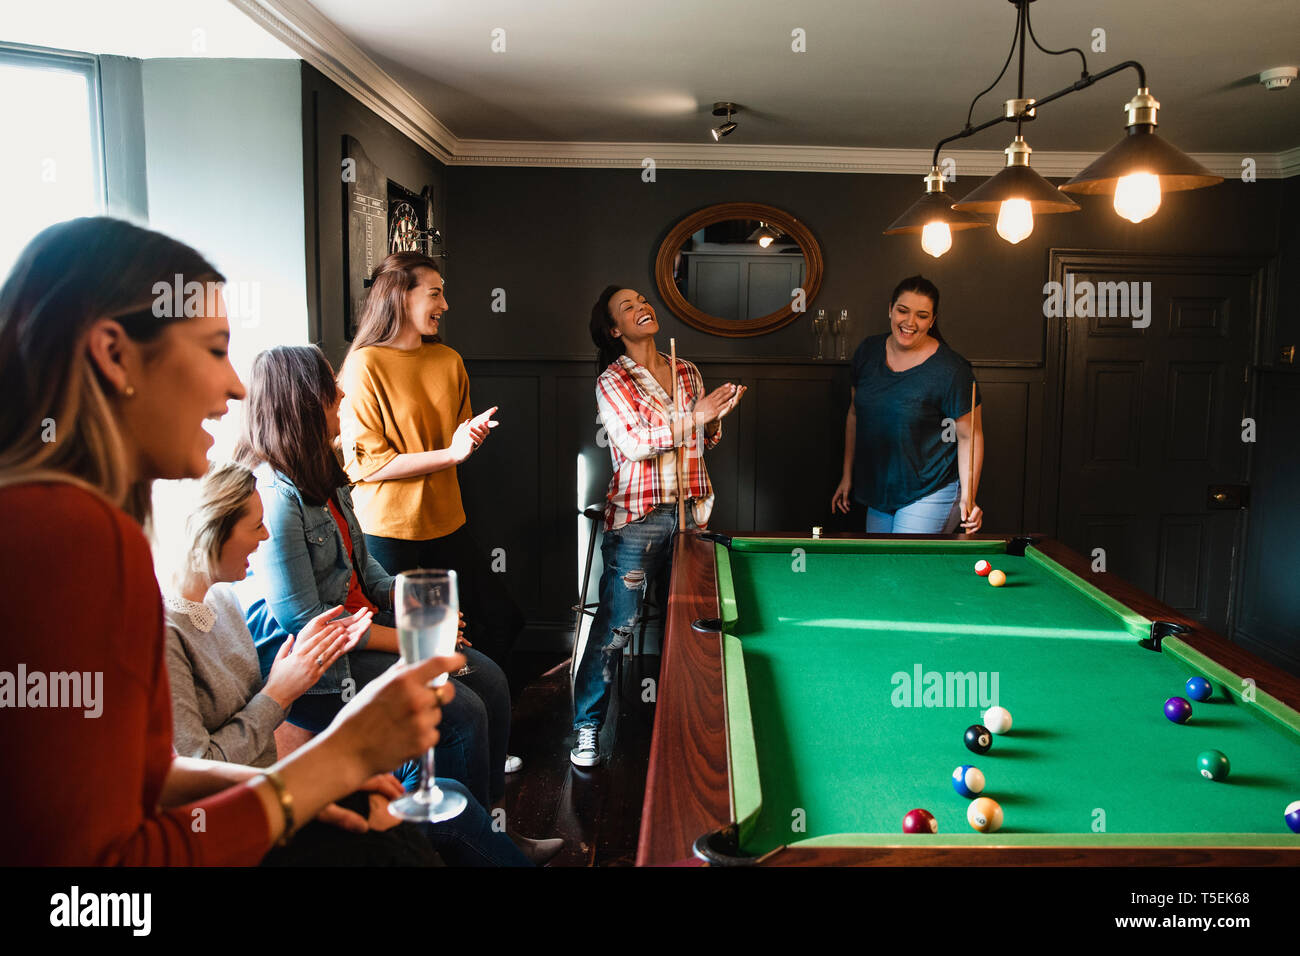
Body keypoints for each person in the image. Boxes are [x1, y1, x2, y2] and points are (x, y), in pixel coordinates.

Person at [0, 217, 460, 865]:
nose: (237, 387)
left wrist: (283, 782)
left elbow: (139, 776)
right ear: (114, 354)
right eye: (215, 349)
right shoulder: (69, 540)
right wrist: (336, 759)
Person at [162, 461, 530, 865]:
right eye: (255, 527)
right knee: (452, 799)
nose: (266, 536)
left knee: (448, 791)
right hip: (246, 822)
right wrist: (279, 695)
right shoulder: (164, 635)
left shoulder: (222, 599)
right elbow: (197, 772)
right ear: (211, 530)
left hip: (278, 787)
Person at [233, 345, 520, 815]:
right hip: (321, 668)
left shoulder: (324, 475)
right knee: (460, 712)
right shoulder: (275, 498)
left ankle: (488, 823)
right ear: (304, 402)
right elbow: (305, 620)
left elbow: (366, 571)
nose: (341, 394)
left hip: (365, 630)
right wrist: (412, 641)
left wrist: (421, 608)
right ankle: (448, 841)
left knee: (488, 679)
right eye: (330, 388)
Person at [574, 285, 745, 767]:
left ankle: (684, 726)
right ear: (614, 329)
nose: (641, 308)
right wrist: (697, 417)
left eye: (642, 301)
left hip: (693, 511)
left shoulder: (687, 370)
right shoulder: (613, 380)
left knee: (690, 627)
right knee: (617, 628)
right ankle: (586, 727)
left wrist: (712, 423)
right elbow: (635, 444)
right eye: (627, 308)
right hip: (638, 518)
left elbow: (695, 444)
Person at [336, 252, 525, 683]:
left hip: (446, 521)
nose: (445, 305)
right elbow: (367, 465)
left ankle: (477, 740)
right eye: (435, 293)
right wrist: (452, 454)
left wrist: (468, 440)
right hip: (387, 532)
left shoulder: (449, 361)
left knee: (499, 621)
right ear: (399, 296)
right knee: (423, 646)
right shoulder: (365, 365)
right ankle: (433, 744)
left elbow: (454, 442)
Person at [832, 275, 984, 534]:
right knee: (881, 568)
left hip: (929, 487)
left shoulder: (952, 370)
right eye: (903, 310)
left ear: (933, 320)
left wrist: (968, 497)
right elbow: (854, 414)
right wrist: (847, 475)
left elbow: (970, 436)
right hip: (879, 491)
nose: (910, 322)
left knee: (902, 565)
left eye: (922, 315)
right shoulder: (868, 352)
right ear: (890, 308)